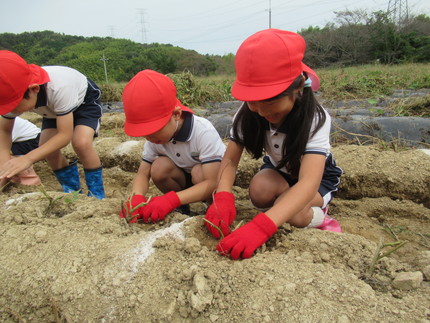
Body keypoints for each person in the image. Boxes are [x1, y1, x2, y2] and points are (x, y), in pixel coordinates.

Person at [204, 29, 343, 260]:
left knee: (296, 214)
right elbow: (229, 159)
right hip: (279, 169)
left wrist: (261, 227)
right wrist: (223, 196)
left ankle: (321, 217)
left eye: (269, 100)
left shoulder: (315, 118)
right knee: (259, 191)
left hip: (315, 179)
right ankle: (282, 207)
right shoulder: (248, 113)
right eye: (252, 102)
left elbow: (308, 182)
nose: (261, 110)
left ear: (298, 86)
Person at [120, 69, 225, 223]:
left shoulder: (202, 131)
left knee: (198, 172)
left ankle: (211, 206)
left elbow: (212, 182)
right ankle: (182, 207)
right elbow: (143, 174)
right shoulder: (155, 138)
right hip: (183, 175)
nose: (149, 138)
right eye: (144, 133)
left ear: (176, 114)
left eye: (154, 130)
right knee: (158, 167)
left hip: (213, 177)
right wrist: (135, 199)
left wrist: (170, 199)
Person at [0, 50, 105, 199]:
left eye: (14, 106)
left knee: (81, 142)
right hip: (53, 109)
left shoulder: (59, 88)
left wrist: (27, 159)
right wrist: (5, 166)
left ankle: (97, 194)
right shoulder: (14, 94)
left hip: (84, 101)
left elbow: (64, 135)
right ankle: (73, 191)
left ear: (34, 89)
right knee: (46, 146)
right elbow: (4, 131)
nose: (11, 111)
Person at [0, 116, 41, 188]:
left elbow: (2, 152)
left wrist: (2, 182)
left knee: (11, 161)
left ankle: (30, 180)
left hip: (30, 141)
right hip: (23, 139)